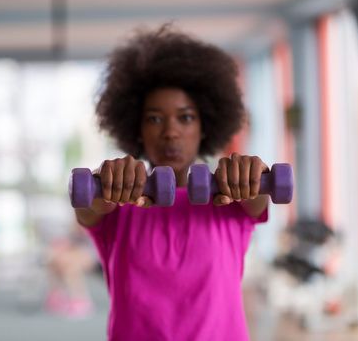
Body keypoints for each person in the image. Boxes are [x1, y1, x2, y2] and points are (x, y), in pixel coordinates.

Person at [75, 23, 270, 341]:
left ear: (204, 126)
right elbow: (87, 207)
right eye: (154, 118)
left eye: (186, 117)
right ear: (137, 129)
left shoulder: (230, 197)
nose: (171, 132)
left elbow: (258, 197)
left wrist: (252, 174)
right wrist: (106, 182)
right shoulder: (117, 202)